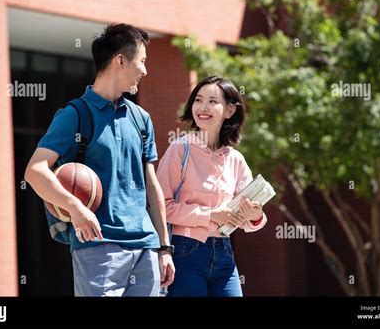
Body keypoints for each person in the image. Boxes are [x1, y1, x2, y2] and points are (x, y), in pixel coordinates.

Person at [25, 23, 175, 296]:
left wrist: (164, 247)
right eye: (141, 61)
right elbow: (35, 171)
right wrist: (76, 208)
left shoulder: (141, 119)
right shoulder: (74, 114)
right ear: (120, 60)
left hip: (146, 248)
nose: (144, 70)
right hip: (98, 246)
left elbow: (152, 186)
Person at [156, 76, 267, 297]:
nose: (203, 107)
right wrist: (212, 214)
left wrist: (255, 215)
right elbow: (161, 207)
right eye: (198, 100)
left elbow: (246, 220)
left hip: (225, 255)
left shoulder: (235, 159)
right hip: (185, 253)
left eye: (212, 101)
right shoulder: (180, 149)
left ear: (229, 111)